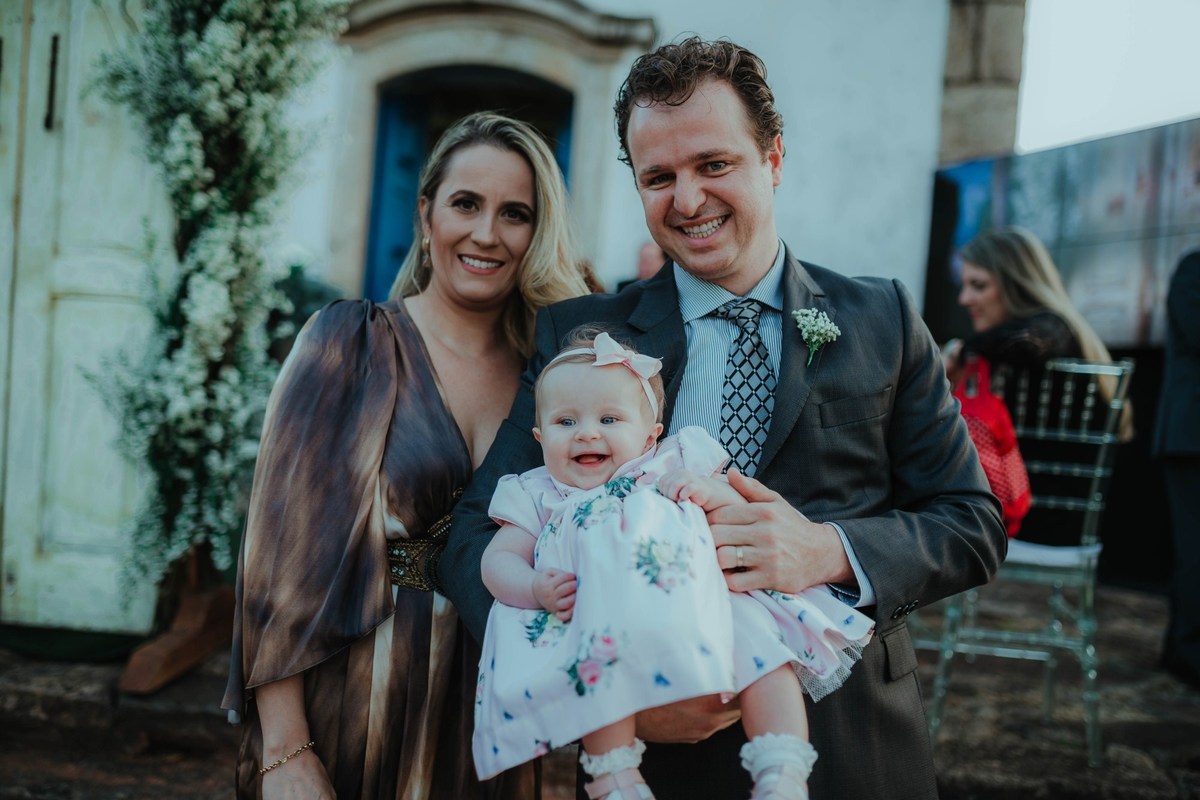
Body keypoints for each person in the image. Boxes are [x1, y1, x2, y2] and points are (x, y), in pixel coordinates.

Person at [441, 37, 1007, 800]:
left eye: (713, 164)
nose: (687, 200)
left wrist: (825, 551)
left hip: (847, 744)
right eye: (659, 177)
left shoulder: (883, 319)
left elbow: (970, 522)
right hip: (651, 759)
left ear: (773, 158)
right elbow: (473, 534)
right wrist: (590, 677)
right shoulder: (582, 337)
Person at [221, 111, 591, 800]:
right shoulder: (352, 344)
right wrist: (284, 750)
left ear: (538, 233)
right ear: (426, 216)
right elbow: (278, 555)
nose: (487, 233)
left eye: (515, 213)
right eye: (465, 204)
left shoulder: (554, 382)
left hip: (491, 717)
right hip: (356, 703)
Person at [473, 331, 873, 800]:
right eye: (566, 421)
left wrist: (712, 492)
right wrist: (533, 587)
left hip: (703, 599)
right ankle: (615, 778)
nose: (586, 432)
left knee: (763, 651)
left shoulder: (669, 465)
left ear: (651, 435)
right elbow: (498, 559)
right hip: (596, 612)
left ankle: (782, 767)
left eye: (608, 418)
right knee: (597, 666)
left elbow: (745, 516)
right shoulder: (538, 493)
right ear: (540, 436)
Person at [945, 225, 1133, 544]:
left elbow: (1027, 343)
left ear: (1016, 285)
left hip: (1037, 522)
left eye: (979, 285)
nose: (964, 299)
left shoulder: (1052, 329)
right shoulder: (1054, 331)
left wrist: (962, 350)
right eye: (964, 286)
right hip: (1014, 515)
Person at [1155, 249, 1200, 688]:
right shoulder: (1193, 268)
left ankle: (1178, 649)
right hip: (1191, 434)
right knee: (1195, 550)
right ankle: (1188, 654)